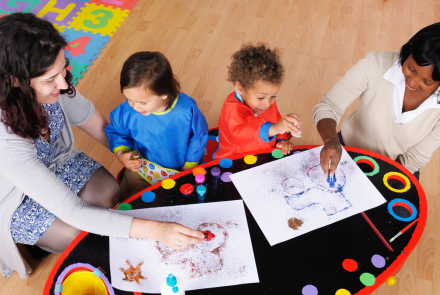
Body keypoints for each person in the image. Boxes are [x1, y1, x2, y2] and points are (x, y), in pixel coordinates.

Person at [0, 13, 204, 279]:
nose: (62, 85)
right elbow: (73, 211)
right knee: (80, 236)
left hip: (53, 161)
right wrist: (157, 230)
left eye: (63, 70)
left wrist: (128, 154)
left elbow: (89, 118)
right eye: (50, 79)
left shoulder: (57, 84)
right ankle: (38, 242)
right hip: (14, 196)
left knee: (110, 193)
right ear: (17, 82)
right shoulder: (6, 140)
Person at [314, 23, 440, 179]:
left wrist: (378, 185)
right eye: (411, 68)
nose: (412, 83)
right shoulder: (375, 64)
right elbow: (329, 107)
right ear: (409, 51)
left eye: (427, 82)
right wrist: (330, 141)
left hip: (397, 169)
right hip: (345, 149)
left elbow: (414, 158)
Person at [105, 51, 208, 201]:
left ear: (164, 93)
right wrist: (121, 154)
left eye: (143, 103)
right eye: (128, 99)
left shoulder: (186, 110)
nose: (135, 107)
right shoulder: (126, 112)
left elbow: (199, 136)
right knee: (132, 203)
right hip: (141, 169)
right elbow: (118, 133)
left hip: (180, 169)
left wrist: (188, 167)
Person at [213, 43, 302, 160]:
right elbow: (244, 134)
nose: (267, 103)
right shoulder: (232, 112)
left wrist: (281, 138)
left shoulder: (266, 100)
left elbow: (275, 119)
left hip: (263, 155)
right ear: (240, 88)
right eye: (261, 97)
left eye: (273, 96)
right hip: (235, 161)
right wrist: (275, 128)